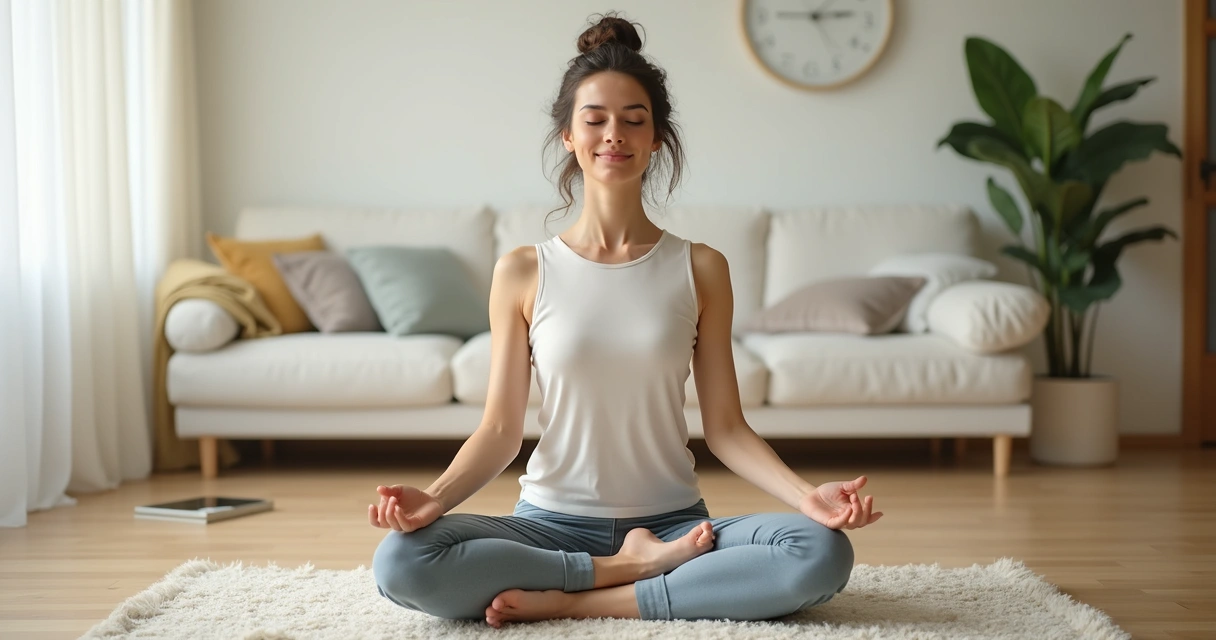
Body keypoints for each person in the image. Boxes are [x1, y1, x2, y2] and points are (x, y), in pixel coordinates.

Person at [368, 12, 882, 628]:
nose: (614, 134)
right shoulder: (523, 271)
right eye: (595, 119)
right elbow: (501, 430)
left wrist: (807, 498)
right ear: (567, 135)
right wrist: (436, 498)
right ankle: (627, 573)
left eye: (634, 120)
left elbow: (725, 428)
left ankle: (578, 600)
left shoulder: (702, 268)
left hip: (676, 526)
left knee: (820, 551)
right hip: (548, 526)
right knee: (401, 561)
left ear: (657, 137)